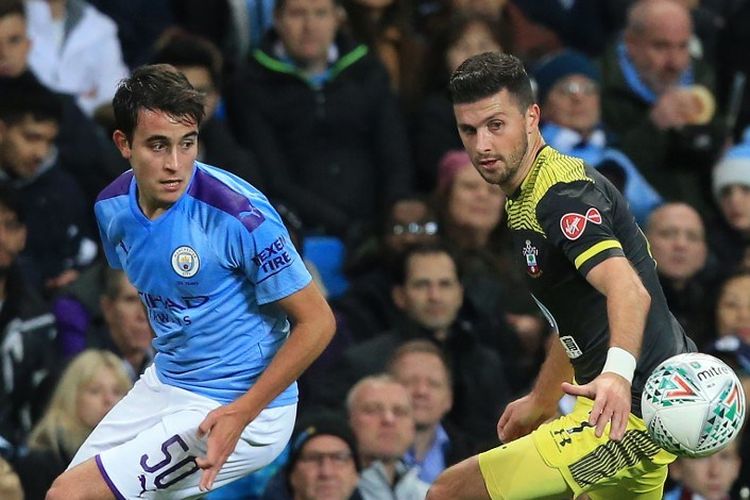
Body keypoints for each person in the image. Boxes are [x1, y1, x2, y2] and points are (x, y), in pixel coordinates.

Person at [45, 64, 336, 498]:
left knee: (73, 496)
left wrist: (242, 413)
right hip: (167, 382)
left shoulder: (239, 216)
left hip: (247, 408)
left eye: (187, 144)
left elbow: (318, 323)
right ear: (124, 144)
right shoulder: (112, 209)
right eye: (158, 146)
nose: (175, 165)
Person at [427, 52, 697, 500]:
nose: (482, 146)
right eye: (468, 130)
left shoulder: (560, 196)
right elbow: (574, 324)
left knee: (449, 493)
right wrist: (542, 399)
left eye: (497, 125)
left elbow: (628, 290)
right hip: (620, 412)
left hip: (626, 416)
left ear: (532, 117)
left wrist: (615, 375)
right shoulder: (523, 195)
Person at [14, 349, 132, 500]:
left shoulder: (132, 455)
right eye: (95, 391)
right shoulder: (41, 462)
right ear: (71, 397)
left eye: (117, 391)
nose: (109, 400)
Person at [387, 340, 472, 484]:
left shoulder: (471, 455)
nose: (421, 391)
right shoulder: (365, 457)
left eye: (433, 384)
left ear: (449, 398)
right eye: (409, 382)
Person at [347, 374, 429, 500]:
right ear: (349, 421)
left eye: (399, 411)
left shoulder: (428, 494)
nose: (388, 419)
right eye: (372, 410)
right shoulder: (330, 492)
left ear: (413, 425)